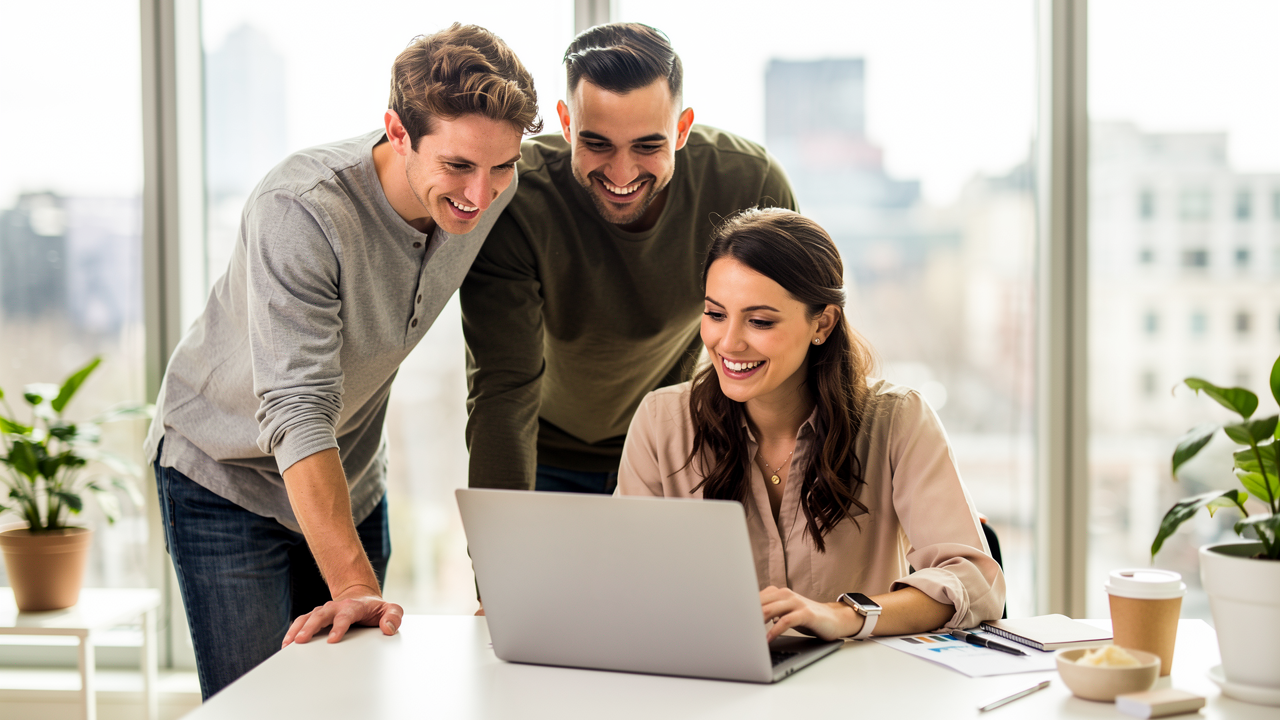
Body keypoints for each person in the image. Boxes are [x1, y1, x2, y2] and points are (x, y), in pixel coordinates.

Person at [142, 24, 540, 699]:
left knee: (352, 698)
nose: (481, 192)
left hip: (348, 476)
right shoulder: (302, 211)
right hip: (226, 479)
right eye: (459, 167)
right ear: (398, 129)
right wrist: (354, 583)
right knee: (259, 706)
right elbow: (297, 409)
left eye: (502, 167)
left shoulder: (496, 183)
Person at [617, 208, 1005, 640]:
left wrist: (843, 616)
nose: (727, 343)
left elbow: (974, 581)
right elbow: (621, 583)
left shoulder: (898, 420)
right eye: (715, 314)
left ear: (822, 323)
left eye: (760, 321)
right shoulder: (661, 422)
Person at [461, 23, 797, 496]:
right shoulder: (518, 201)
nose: (621, 173)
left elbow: (790, 351)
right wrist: (497, 556)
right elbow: (501, 391)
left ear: (681, 130)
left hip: (677, 446)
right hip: (545, 453)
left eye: (648, 145)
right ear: (566, 123)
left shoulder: (749, 184)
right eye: (597, 143)